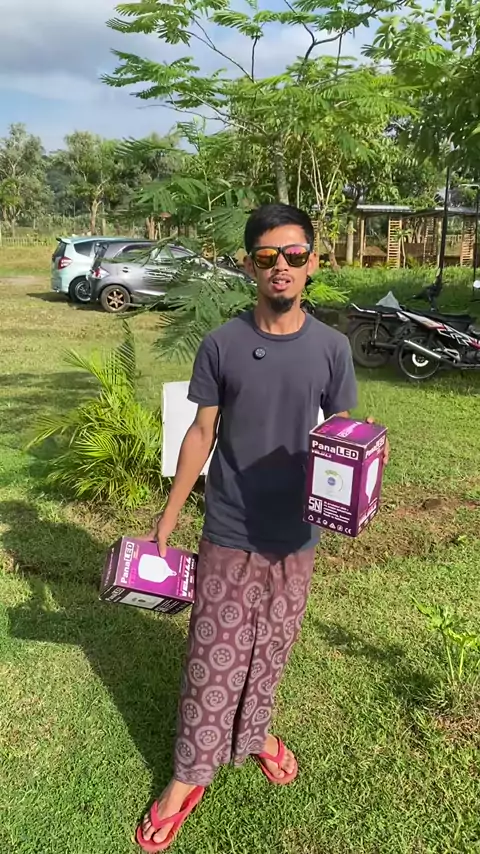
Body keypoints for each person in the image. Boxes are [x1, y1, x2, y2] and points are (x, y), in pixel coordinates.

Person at [137, 203, 388, 852]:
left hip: (296, 535)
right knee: (211, 656)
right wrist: (170, 514)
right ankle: (187, 776)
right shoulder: (222, 343)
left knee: (269, 651)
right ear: (250, 265)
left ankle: (255, 737)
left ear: (313, 262)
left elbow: (344, 436)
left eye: (294, 254)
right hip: (229, 527)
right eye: (268, 256)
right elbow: (201, 433)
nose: (282, 266)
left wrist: (358, 481)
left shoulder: (332, 349)